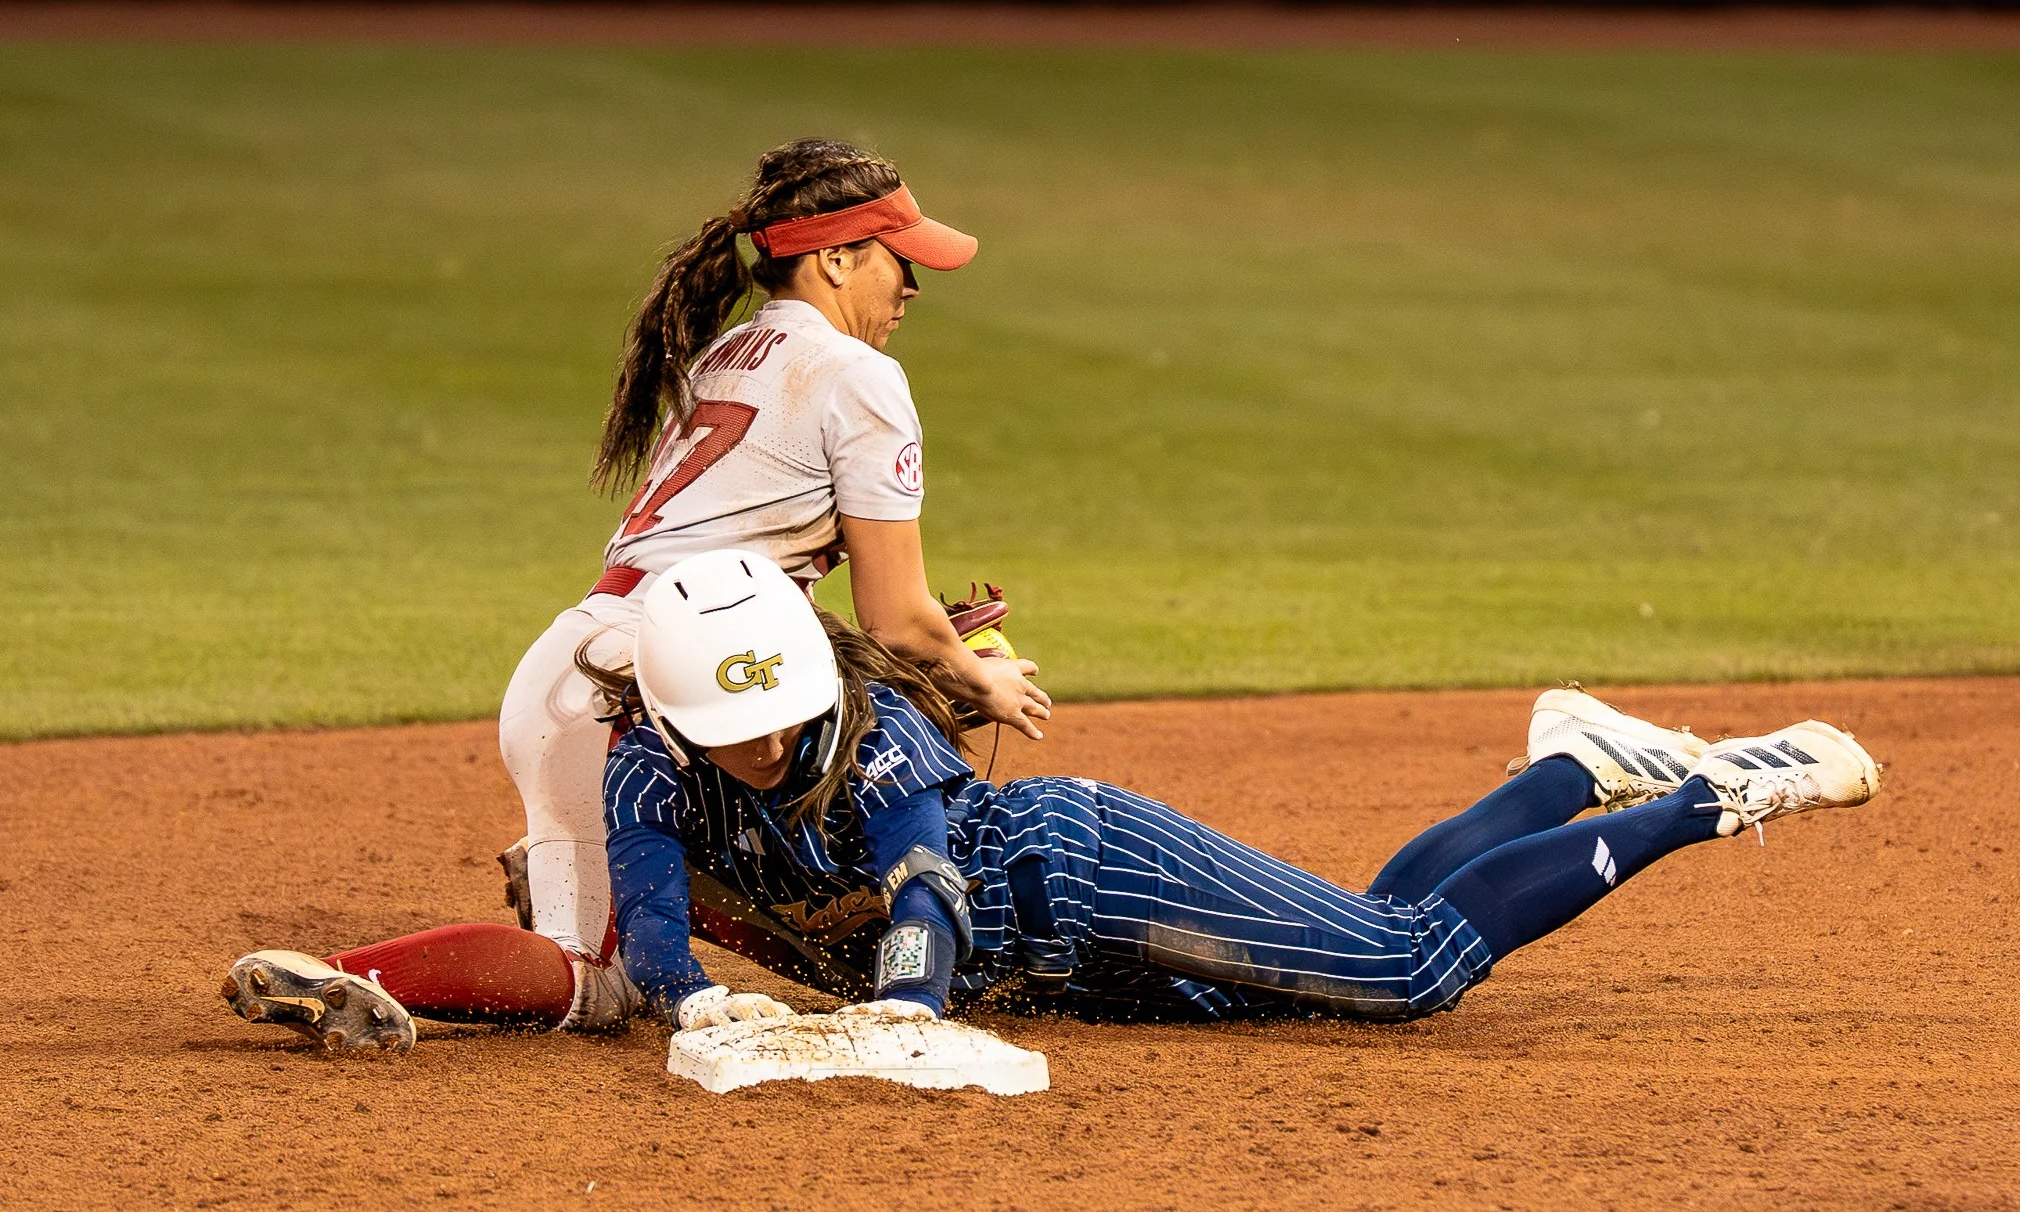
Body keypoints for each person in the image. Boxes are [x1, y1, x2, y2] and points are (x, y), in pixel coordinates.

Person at [218, 550, 1882, 1050]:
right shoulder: (647, 771)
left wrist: (908, 1008)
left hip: (1067, 875)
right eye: (723, 732)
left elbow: (925, 878)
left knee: (1406, 976)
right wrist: (686, 1001)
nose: (752, 752)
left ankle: (1710, 794)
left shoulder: (872, 736)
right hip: (1059, 976)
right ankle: (1564, 762)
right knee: (1369, 927)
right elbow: (645, 935)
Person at [491, 138, 1050, 1030]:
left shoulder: (729, 350)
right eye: (900, 261)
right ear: (834, 258)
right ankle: (363, 977)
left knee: (733, 828)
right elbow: (901, 621)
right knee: (587, 988)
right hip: (644, 693)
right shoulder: (860, 375)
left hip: (582, 663)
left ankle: (588, 873)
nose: (913, 286)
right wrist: (978, 677)